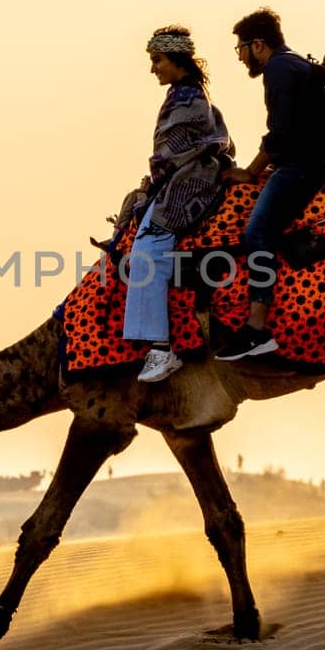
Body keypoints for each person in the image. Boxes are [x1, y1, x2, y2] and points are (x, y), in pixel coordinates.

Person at [216, 7, 325, 360]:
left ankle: (257, 328)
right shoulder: (296, 65)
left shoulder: (278, 69)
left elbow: (280, 134)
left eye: (241, 49)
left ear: (258, 45)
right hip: (314, 160)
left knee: (256, 234)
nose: (241, 57)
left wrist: (250, 172)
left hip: (305, 166)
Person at [122, 26, 235, 383]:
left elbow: (173, 153)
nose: (153, 68)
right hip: (187, 177)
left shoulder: (187, 99)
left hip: (190, 183)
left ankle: (160, 348)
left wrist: (153, 184)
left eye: (157, 60)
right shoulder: (186, 95)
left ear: (176, 61)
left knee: (149, 249)